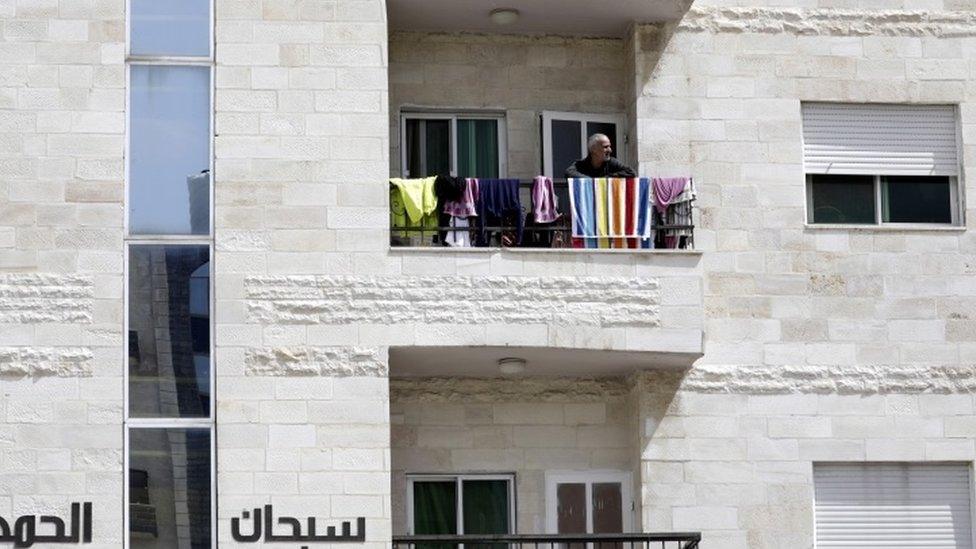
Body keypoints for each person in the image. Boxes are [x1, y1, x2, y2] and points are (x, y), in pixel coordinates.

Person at [564, 133, 636, 178]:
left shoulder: (612, 162)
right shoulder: (581, 165)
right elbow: (568, 172)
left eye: (609, 146)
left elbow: (631, 173)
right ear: (593, 149)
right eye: (605, 147)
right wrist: (591, 181)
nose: (610, 150)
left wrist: (607, 178)